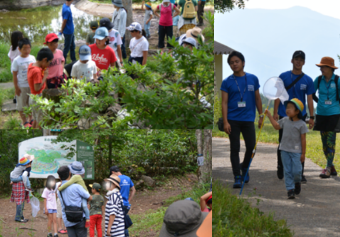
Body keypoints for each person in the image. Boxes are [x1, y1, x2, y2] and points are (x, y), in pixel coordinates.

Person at [220, 51, 263, 188]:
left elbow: (257, 98)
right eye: (231, 63)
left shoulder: (252, 79)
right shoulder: (227, 82)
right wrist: (226, 122)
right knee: (235, 148)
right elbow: (224, 103)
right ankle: (237, 176)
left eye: (237, 61)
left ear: (243, 63)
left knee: (251, 146)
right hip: (233, 119)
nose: (234, 64)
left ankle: (244, 167)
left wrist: (261, 115)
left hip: (248, 119)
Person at [273, 51, 315, 183]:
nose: (298, 62)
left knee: (300, 144)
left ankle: (300, 172)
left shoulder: (308, 80)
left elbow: (309, 100)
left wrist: (311, 117)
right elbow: (278, 96)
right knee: (282, 142)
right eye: (296, 59)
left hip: (299, 117)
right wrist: (275, 113)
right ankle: (280, 166)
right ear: (292, 61)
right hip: (284, 114)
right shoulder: (283, 77)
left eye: (301, 60)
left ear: (304, 62)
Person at [265, 98, 308, 199]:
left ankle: (297, 182)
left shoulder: (302, 124)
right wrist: (269, 116)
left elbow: (303, 140)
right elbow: (276, 126)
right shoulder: (284, 120)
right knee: (287, 170)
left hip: (297, 151)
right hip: (284, 150)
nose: (287, 110)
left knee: (297, 171)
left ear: (297, 111)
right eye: (287, 108)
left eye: (290, 108)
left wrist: (303, 154)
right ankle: (290, 190)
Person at [313, 57, 340, 178]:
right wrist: (319, 102)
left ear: (330, 68)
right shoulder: (318, 80)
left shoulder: (337, 80)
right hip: (321, 114)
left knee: (330, 141)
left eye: (323, 67)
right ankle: (332, 165)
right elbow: (311, 93)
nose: (321, 69)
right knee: (324, 143)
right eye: (320, 67)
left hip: (334, 114)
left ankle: (327, 168)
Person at [57, 166, 92, 236]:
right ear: (70, 173)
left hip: (67, 219)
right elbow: (90, 197)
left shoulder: (59, 190)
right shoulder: (77, 187)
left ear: (59, 177)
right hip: (80, 218)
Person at [27, 48, 54, 129]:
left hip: (32, 97)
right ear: (44, 60)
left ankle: (34, 133)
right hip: (37, 97)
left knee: (36, 119)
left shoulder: (31, 65)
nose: (49, 65)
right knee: (41, 122)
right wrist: (45, 76)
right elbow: (37, 88)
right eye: (49, 62)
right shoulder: (37, 71)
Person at [12, 38, 36, 127]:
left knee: (31, 103)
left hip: (32, 86)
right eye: (24, 48)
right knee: (21, 104)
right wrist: (16, 87)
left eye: (28, 48)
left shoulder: (32, 58)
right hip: (21, 86)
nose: (27, 50)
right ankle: (24, 121)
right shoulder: (16, 60)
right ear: (19, 49)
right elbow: (14, 75)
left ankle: (31, 118)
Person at [110, 166, 136, 237]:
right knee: (123, 221)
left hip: (117, 204)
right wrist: (129, 200)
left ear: (113, 172)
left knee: (118, 223)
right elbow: (133, 190)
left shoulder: (115, 180)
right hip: (126, 205)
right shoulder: (128, 178)